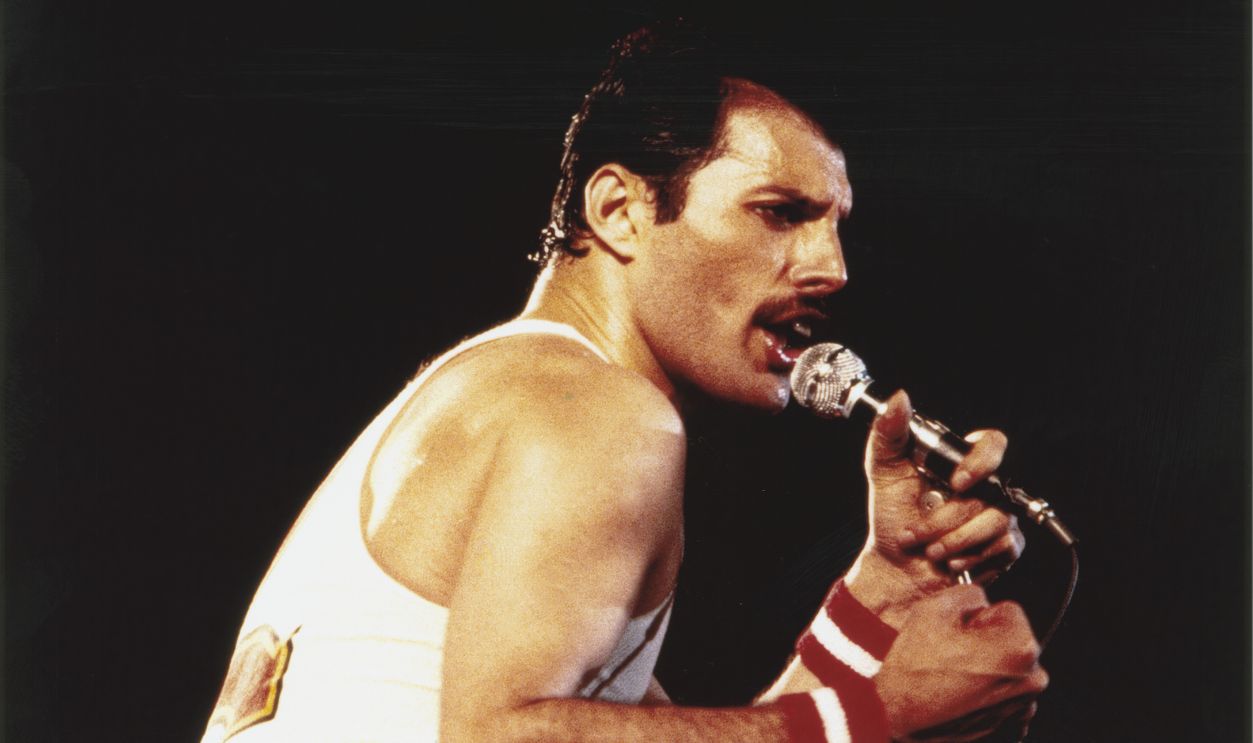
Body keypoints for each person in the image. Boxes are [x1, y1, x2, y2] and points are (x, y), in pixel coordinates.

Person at [202, 23, 1047, 743]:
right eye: (779, 212)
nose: (831, 268)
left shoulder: (508, 384)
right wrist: (879, 715)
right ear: (618, 211)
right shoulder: (597, 411)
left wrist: (884, 588)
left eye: (834, 227)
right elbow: (500, 736)